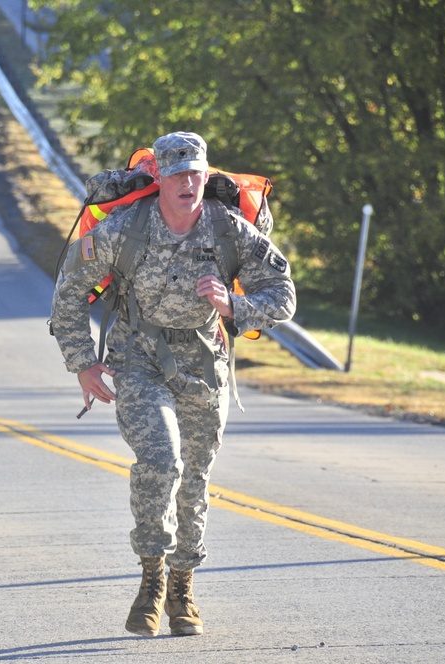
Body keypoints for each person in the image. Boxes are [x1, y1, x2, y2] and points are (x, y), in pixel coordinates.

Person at [50, 132, 296, 637]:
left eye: (195, 173)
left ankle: (183, 585)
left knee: (195, 479)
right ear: (159, 177)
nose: (187, 182)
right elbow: (69, 292)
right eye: (177, 173)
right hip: (138, 358)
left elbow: (283, 293)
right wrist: (82, 363)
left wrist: (235, 307)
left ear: (206, 176)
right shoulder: (123, 229)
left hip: (205, 365)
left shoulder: (228, 228)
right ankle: (151, 578)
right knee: (161, 461)